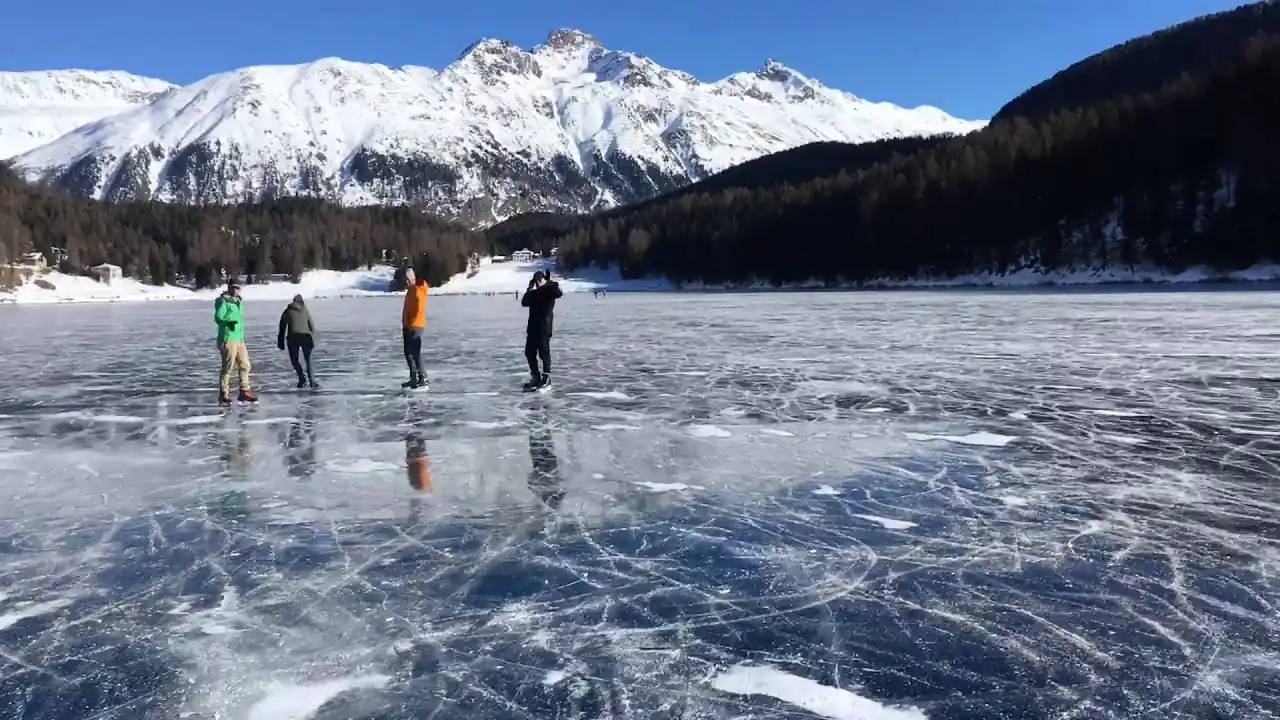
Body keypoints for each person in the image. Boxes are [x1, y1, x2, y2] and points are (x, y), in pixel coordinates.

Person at [214, 278, 257, 406]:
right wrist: (227, 323)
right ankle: (223, 394)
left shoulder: (238, 302)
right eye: (233, 287)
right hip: (227, 338)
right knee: (228, 367)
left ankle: (244, 391)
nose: (235, 290)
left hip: (238, 338)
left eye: (237, 288)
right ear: (229, 288)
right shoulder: (223, 301)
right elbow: (218, 317)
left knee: (245, 364)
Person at [521, 269, 562, 391]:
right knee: (529, 352)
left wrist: (549, 282)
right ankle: (535, 376)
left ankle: (546, 377)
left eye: (540, 279)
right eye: (536, 280)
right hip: (532, 327)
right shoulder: (534, 293)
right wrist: (529, 288)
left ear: (544, 279)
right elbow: (524, 302)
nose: (538, 282)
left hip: (544, 327)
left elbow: (558, 292)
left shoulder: (549, 290)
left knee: (544, 352)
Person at [277, 294, 318, 389]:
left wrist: (281, 342)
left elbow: (282, 327)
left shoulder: (288, 311)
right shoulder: (305, 310)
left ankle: (301, 378)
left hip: (293, 338)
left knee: (295, 360)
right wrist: (313, 340)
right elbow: (312, 326)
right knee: (308, 360)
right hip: (306, 338)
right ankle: (312, 381)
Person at [401, 267, 429, 389]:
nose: (406, 282)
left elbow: (419, 309)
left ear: (412, 278)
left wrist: (412, 323)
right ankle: (414, 377)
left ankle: (423, 377)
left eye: (407, 279)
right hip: (408, 326)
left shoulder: (418, 289)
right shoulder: (410, 290)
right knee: (408, 352)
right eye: (405, 279)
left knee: (415, 352)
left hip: (416, 325)